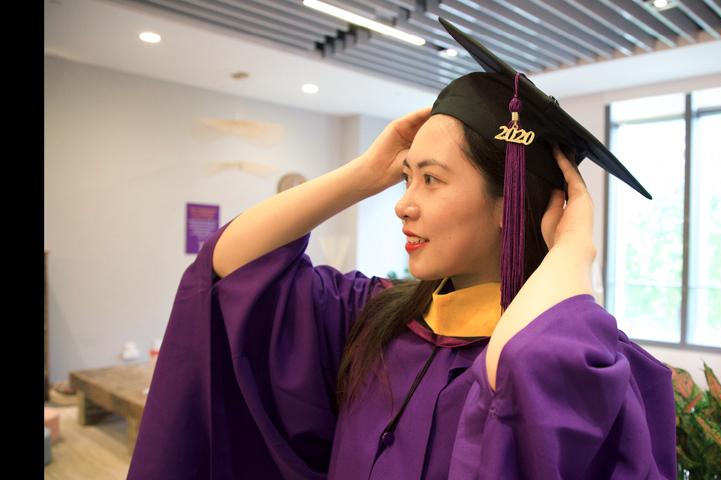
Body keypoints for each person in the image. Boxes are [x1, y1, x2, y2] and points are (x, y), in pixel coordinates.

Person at [127, 17, 676, 480]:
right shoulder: (376, 317)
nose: (402, 204)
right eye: (404, 178)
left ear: (510, 204)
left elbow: (528, 363)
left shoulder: (596, 372)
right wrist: (366, 173)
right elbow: (230, 268)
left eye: (431, 180)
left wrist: (574, 247)